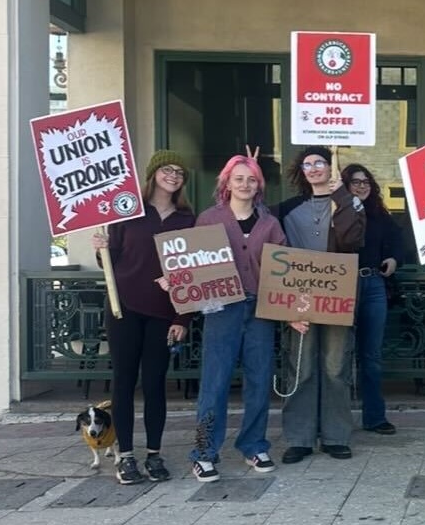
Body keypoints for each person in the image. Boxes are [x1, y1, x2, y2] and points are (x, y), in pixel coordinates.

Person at [92, 149, 195, 485]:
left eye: (180, 171)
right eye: (168, 169)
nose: (174, 175)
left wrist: (184, 318)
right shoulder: (128, 211)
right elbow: (109, 258)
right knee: (123, 382)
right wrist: (100, 247)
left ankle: (154, 453)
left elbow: (194, 272)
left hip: (164, 313)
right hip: (124, 308)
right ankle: (125, 456)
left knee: (155, 384)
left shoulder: (188, 220)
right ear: (153, 174)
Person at [188, 155, 286, 482]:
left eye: (252, 179)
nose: (245, 184)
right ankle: (203, 451)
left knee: (259, 381)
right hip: (221, 308)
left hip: (260, 308)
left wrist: (292, 312)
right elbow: (192, 264)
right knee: (214, 383)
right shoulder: (208, 219)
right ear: (226, 182)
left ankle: (254, 444)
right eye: (239, 178)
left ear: (259, 185)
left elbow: (283, 269)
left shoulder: (270, 223)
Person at [276, 147, 365, 464]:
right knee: (300, 367)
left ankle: (335, 436)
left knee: (335, 367)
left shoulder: (349, 203)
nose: (314, 168)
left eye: (320, 163)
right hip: (298, 298)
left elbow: (352, 239)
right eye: (308, 163)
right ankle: (299, 438)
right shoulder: (285, 209)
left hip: (337, 296)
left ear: (331, 167)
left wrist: (340, 196)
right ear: (301, 171)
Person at [341, 162, 403, 436]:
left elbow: (398, 241)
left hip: (374, 283)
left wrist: (394, 258)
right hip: (342, 284)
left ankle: (374, 417)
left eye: (366, 181)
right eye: (356, 182)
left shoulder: (380, 214)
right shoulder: (337, 212)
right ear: (346, 185)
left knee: (371, 355)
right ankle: (337, 420)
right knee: (338, 355)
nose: (362, 186)